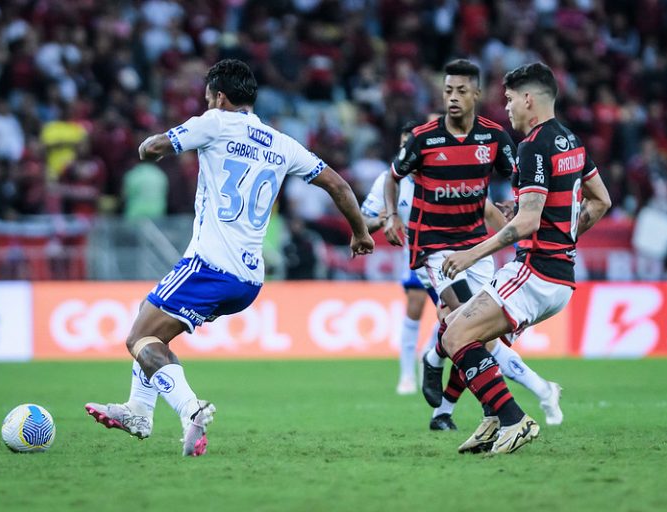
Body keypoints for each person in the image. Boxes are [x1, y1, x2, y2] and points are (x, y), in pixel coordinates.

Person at [85, 59, 374, 457]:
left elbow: (153, 147)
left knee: (137, 338)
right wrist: (359, 233)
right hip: (249, 280)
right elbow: (338, 184)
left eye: (208, 97)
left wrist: (146, 148)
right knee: (153, 325)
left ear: (219, 97)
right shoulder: (281, 142)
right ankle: (139, 408)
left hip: (209, 265)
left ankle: (191, 410)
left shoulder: (214, 122)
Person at [439, 62, 611, 454]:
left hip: (535, 271)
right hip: (559, 274)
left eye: (511, 98)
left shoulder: (533, 145)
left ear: (529, 99)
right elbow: (601, 200)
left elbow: (531, 220)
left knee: (455, 335)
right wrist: (563, 236)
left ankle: (514, 420)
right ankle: (494, 417)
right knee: (455, 328)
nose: (508, 107)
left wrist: (471, 254)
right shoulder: (571, 141)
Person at [383, 59, 563, 433]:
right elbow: (392, 176)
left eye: (461, 91)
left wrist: (516, 202)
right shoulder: (424, 137)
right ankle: (522, 400)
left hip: (475, 247)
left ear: (477, 94)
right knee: (468, 318)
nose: (453, 97)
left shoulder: (494, 138)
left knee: (470, 331)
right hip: (434, 249)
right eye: (448, 90)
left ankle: (438, 378)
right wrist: (391, 216)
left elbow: (518, 176)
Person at [361, 121, 440, 395]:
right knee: (415, 307)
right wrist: (380, 219)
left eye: (411, 144)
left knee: (452, 319)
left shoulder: (440, 176)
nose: (406, 150)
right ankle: (407, 376)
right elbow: (362, 220)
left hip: (448, 259)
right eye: (402, 145)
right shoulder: (389, 180)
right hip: (416, 260)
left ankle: (429, 352)